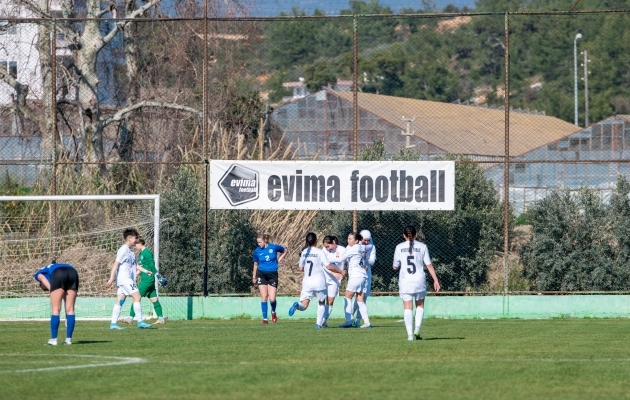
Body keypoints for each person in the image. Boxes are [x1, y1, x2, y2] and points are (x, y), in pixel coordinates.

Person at [288, 232, 347, 328]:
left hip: (307, 282)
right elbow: (328, 266)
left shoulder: (304, 252)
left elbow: (300, 268)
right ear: (316, 240)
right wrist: (340, 271)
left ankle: (297, 306)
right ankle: (318, 324)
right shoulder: (320, 252)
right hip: (319, 282)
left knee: (304, 305)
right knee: (321, 303)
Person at [393, 225, 441, 341]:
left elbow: (395, 266)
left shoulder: (399, 247)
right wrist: (436, 280)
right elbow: (428, 265)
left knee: (408, 307)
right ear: (416, 235)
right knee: (419, 305)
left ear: (404, 236)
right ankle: (417, 330)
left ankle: (410, 334)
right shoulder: (422, 246)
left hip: (406, 281)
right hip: (419, 281)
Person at [106, 228, 153, 330]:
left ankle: (113, 324)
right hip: (125, 279)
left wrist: (146, 271)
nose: (136, 240)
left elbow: (135, 265)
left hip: (125, 280)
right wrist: (111, 279)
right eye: (135, 238)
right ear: (130, 238)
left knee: (120, 300)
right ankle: (140, 321)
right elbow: (115, 265)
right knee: (137, 297)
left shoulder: (131, 252)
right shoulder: (122, 250)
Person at [120, 237, 165, 325]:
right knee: (154, 299)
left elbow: (152, 264)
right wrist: (135, 274)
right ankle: (161, 318)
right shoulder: (141, 254)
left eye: (136, 245)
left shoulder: (147, 252)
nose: (135, 247)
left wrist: (156, 274)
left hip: (148, 280)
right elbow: (142, 267)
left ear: (140, 243)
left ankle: (130, 318)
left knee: (136, 296)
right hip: (146, 279)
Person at [34, 261, 79, 345]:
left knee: (56, 309)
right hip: (73, 272)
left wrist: (53, 291)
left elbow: (43, 279)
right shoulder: (50, 267)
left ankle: (53, 340)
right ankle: (68, 339)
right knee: (70, 310)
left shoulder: (38, 274)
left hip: (58, 273)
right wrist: (67, 318)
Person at [337, 232, 372, 328]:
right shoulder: (361, 247)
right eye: (348, 238)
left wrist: (329, 259)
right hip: (363, 276)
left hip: (356, 276)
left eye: (351, 239)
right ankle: (367, 322)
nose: (348, 240)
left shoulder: (354, 248)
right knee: (360, 300)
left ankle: (349, 321)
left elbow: (340, 259)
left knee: (347, 297)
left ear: (356, 240)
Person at [252, 233, 286, 324]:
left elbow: (284, 250)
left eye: (260, 242)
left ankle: (273, 312)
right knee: (264, 296)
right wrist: (254, 276)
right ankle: (265, 318)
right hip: (261, 274)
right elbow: (255, 264)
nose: (259, 244)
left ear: (265, 240)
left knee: (272, 299)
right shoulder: (257, 251)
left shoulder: (273, 247)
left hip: (272, 275)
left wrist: (278, 260)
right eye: (258, 243)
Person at [320, 235, 345, 327]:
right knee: (322, 300)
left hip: (334, 281)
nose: (327, 248)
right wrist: (334, 273)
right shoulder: (323, 250)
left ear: (334, 242)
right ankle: (320, 320)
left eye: (328, 246)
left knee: (330, 301)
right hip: (324, 278)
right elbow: (324, 265)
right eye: (325, 246)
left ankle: (323, 320)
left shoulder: (342, 249)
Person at [353, 229, 376, 327]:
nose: (366, 242)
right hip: (357, 273)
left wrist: (365, 259)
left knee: (363, 297)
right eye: (364, 240)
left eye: (368, 240)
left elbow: (372, 261)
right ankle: (349, 318)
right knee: (355, 297)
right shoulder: (356, 246)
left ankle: (358, 320)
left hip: (367, 273)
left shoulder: (372, 247)